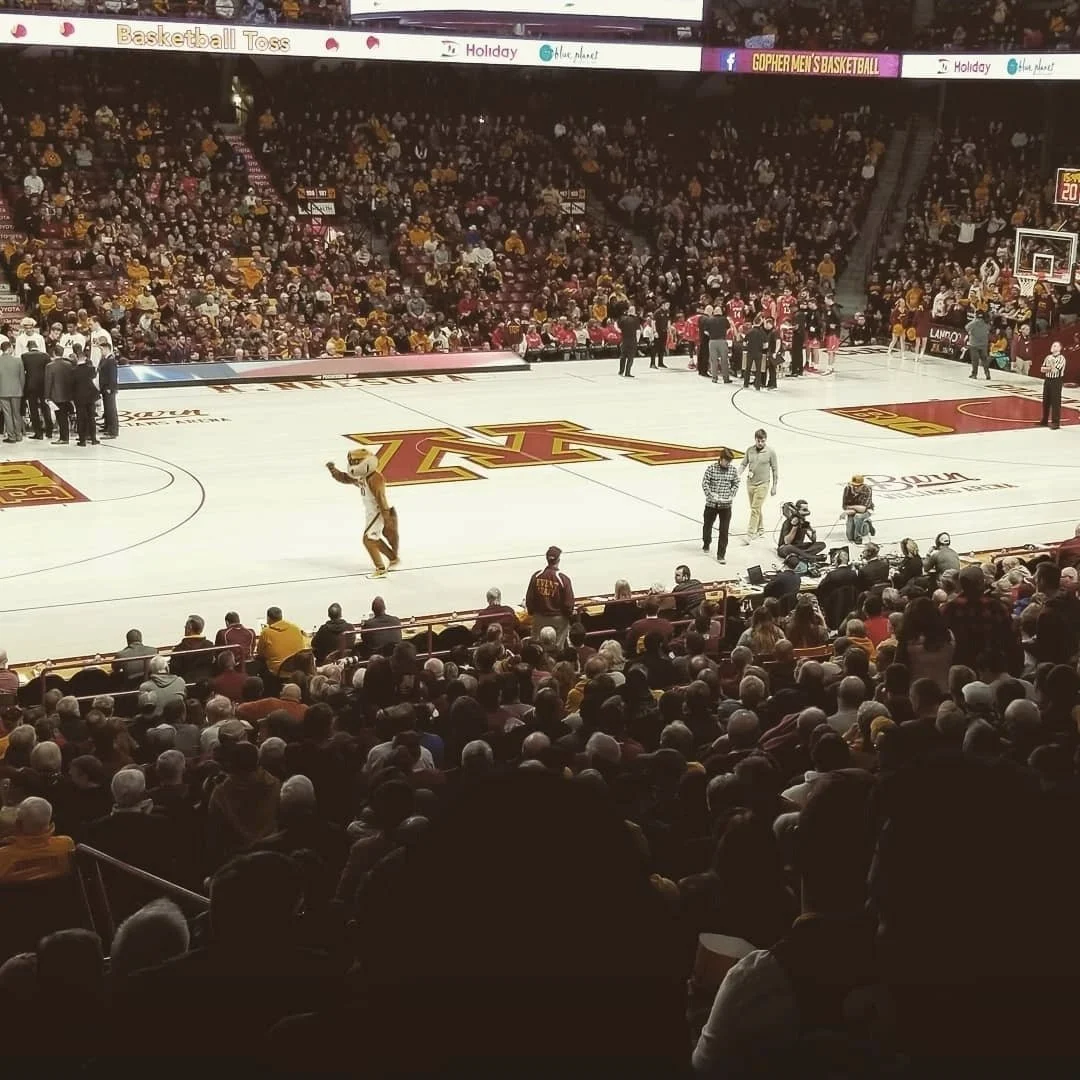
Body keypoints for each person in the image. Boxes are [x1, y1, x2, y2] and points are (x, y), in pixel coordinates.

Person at [326, 448, 400, 578]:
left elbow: (381, 498)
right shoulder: (363, 475)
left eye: (356, 462)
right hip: (371, 512)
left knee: (368, 540)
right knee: (374, 538)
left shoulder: (375, 478)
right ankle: (393, 558)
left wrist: (386, 517)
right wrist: (333, 470)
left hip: (378, 511)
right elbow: (345, 478)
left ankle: (380, 569)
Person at [525, 545, 575, 647]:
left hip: (539, 618)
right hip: (558, 619)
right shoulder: (563, 579)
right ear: (558, 560)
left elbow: (529, 599)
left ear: (547, 559)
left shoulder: (536, 576)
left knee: (537, 646)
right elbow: (568, 604)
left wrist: (532, 613)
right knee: (557, 647)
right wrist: (568, 615)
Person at [740, 429, 779, 544]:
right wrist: (737, 474)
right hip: (750, 483)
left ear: (765, 440)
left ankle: (750, 534)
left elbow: (775, 469)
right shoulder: (750, 450)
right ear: (755, 439)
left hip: (763, 484)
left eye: (763, 441)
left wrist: (774, 486)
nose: (760, 443)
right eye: (758, 441)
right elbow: (744, 464)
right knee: (756, 508)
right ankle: (760, 529)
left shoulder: (770, 452)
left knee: (755, 509)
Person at [701, 449, 740, 563]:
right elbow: (705, 483)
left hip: (726, 506)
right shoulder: (711, 468)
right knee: (707, 525)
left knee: (724, 530)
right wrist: (710, 494)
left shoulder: (733, 470)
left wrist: (731, 493)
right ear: (721, 459)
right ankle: (706, 542)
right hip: (711, 504)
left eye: (729, 462)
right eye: (726, 461)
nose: (728, 464)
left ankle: (721, 554)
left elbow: (736, 483)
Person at [256, 608, 308, 676]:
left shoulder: (266, 632)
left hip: (278, 671)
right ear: (281, 617)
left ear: (268, 618)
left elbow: (260, 653)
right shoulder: (296, 628)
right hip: (297, 669)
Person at [44, 346, 74, 444]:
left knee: (60, 417)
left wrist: (47, 396)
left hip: (56, 395)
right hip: (67, 394)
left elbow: (48, 382)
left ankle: (63, 438)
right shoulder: (69, 364)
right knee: (64, 416)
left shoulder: (50, 366)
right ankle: (65, 437)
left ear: (54, 353)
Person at [71, 346, 100, 447]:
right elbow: (94, 381)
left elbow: (72, 385)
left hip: (79, 398)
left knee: (81, 418)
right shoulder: (91, 369)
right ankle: (93, 438)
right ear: (85, 358)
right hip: (90, 397)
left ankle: (82, 440)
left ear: (77, 358)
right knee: (91, 418)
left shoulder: (73, 371)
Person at [22, 342, 51, 440]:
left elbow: (23, 371)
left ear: (28, 348)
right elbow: (49, 370)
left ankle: (38, 433)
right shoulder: (45, 356)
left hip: (31, 386)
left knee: (33, 409)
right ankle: (49, 431)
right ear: (37, 347)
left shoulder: (24, 356)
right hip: (43, 385)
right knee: (45, 407)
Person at [0, 340, 25, 443]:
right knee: (16, 414)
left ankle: (11, 436)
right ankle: (19, 435)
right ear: (10, 348)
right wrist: (21, 389)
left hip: (3, 391)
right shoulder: (18, 361)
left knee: (7, 414)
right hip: (17, 391)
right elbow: (22, 377)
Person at [841, 474, 875, 545]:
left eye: (858, 486)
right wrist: (848, 511)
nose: (855, 487)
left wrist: (849, 508)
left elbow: (863, 509)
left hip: (866, 510)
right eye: (853, 485)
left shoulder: (867, 489)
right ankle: (865, 524)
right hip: (852, 511)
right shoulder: (847, 489)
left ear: (862, 485)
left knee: (858, 517)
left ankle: (858, 538)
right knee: (850, 537)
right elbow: (844, 506)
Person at [1040, 340, 1066, 429]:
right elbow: (1042, 369)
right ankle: (1044, 420)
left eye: (1055, 346)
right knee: (1045, 400)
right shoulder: (1048, 357)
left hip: (1056, 381)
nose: (1053, 347)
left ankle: (1055, 422)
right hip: (1047, 380)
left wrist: (1049, 367)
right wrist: (1049, 368)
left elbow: (1055, 370)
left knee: (1055, 401)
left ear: (1060, 348)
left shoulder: (1062, 358)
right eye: (1052, 345)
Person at [702, 306, 731, 384]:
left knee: (713, 360)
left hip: (712, 341)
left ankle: (714, 378)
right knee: (724, 360)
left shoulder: (709, 320)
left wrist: (712, 335)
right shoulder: (724, 319)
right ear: (720, 312)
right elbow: (728, 328)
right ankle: (726, 378)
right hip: (722, 341)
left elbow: (705, 332)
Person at [97, 348, 119, 439]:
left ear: (106, 349)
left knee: (111, 409)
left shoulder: (111, 360)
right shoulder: (105, 359)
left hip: (109, 388)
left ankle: (113, 431)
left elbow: (113, 375)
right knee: (107, 409)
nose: (101, 352)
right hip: (104, 388)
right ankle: (107, 426)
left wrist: (110, 387)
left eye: (102, 350)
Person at [617, 306, 640, 378]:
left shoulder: (623, 318)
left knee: (623, 356)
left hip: (624, 340)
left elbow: (618, 329)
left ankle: (621, 371)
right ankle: (627, 372)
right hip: (632, 340)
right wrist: (637, 341)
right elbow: (638, 331)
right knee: (630, 357)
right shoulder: (636, 319)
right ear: (634, 311)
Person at [967, 310, 991, 380]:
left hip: (974, 344)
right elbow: (989, 329)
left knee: (975, 360)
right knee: (984, 360)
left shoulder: (974, 323)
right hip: (983, 344)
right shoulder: (986, 323)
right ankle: (987, 373)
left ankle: (974, 374)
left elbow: (966, 327)